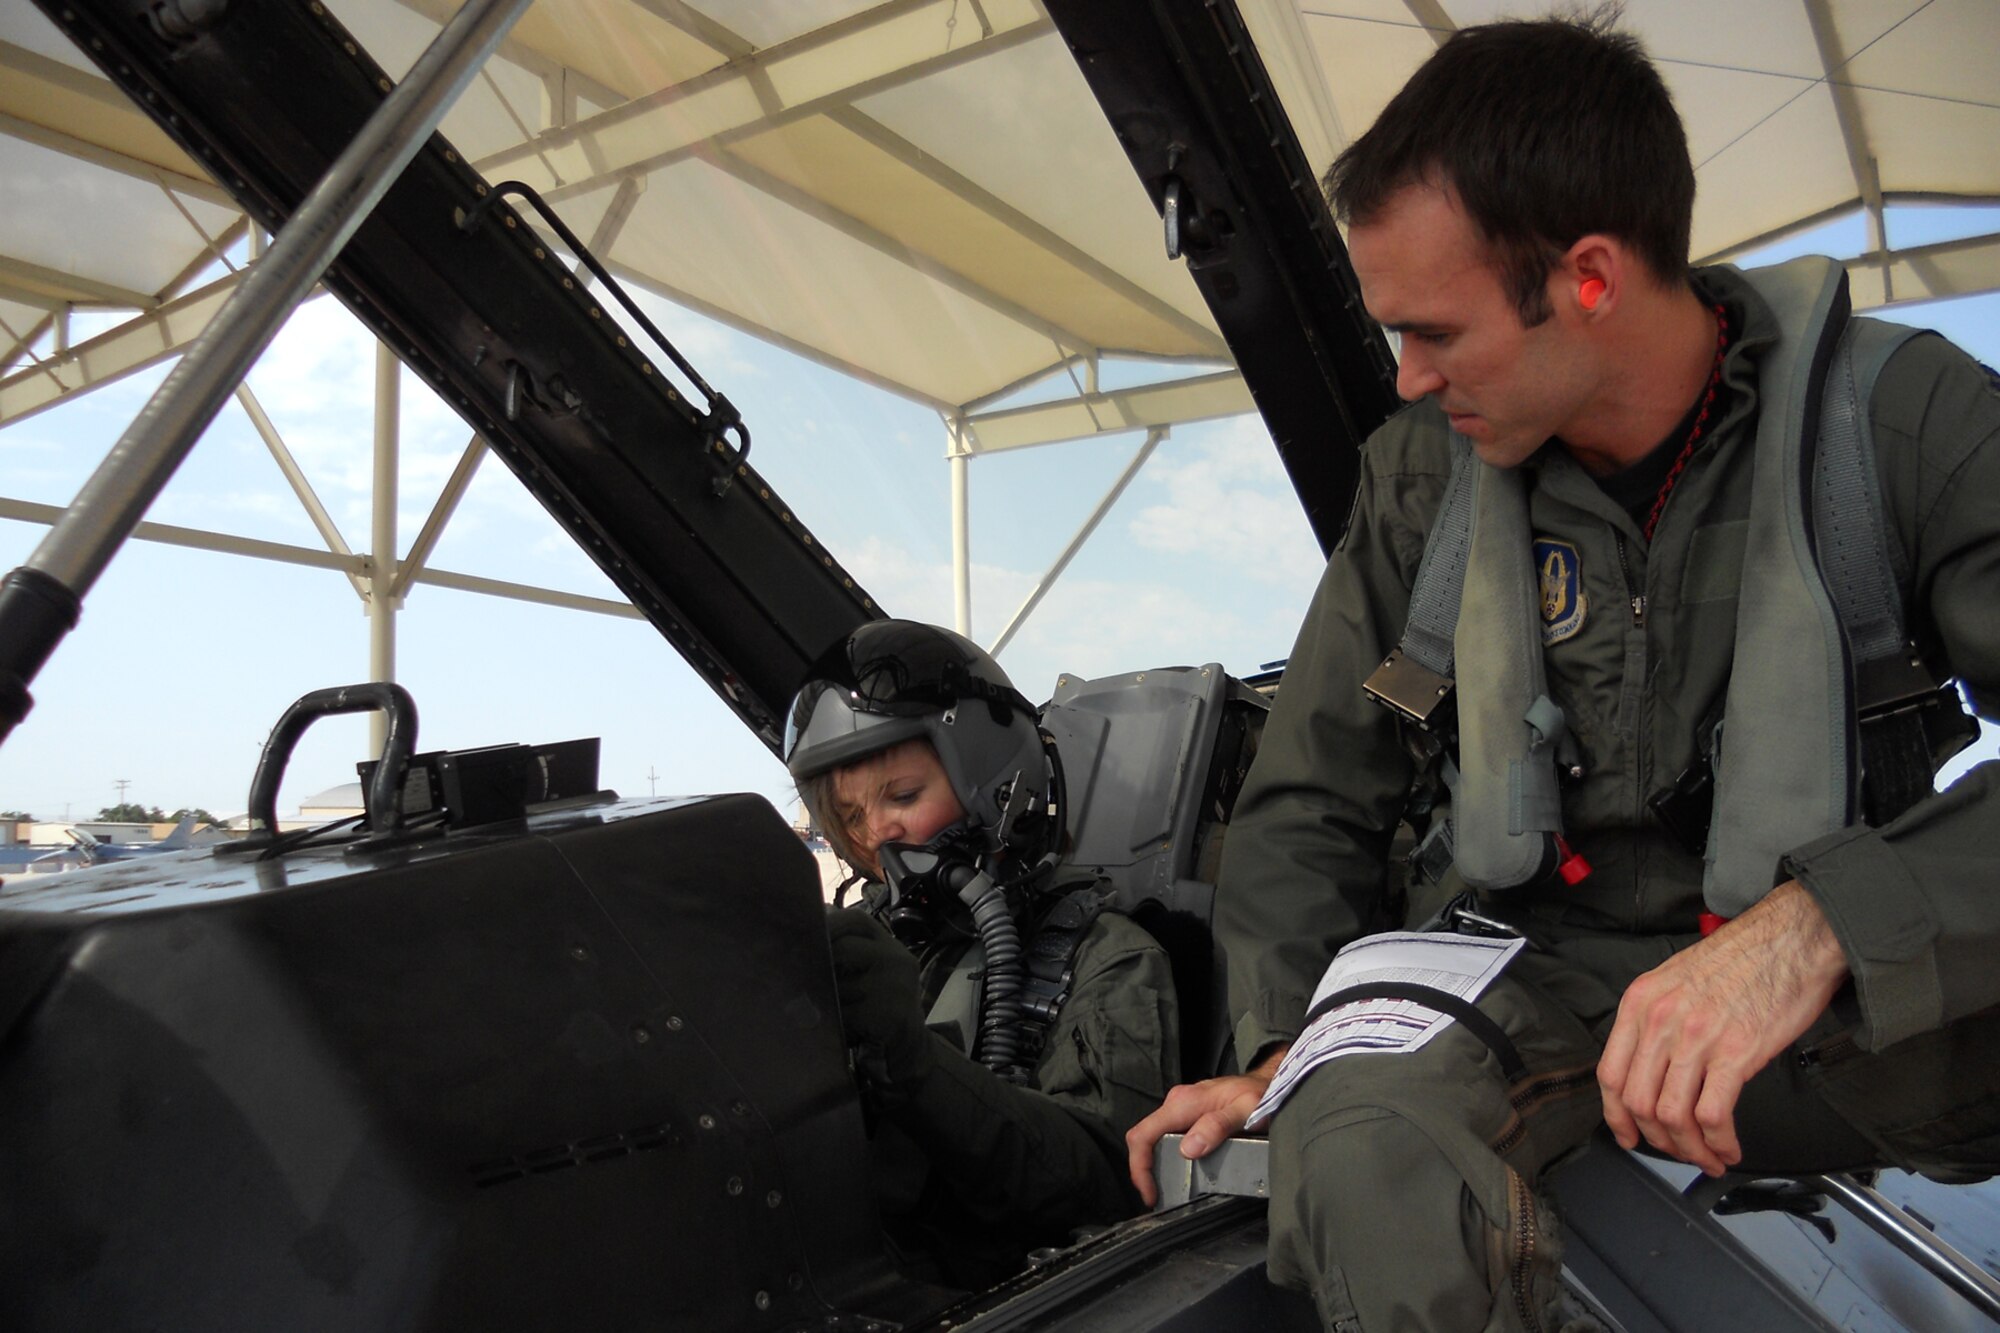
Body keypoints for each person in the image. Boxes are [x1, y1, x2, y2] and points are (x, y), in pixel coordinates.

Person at [1124, 13, 2000, 1331]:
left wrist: (1822, 923)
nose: (1410, 380)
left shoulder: (1897, 427)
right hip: (1542, 995)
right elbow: (1315, 796)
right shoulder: (1425, 494)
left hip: (1858, 1006)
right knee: (1356, 1140)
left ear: (1589, 276)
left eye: (1435, 333)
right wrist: (1285, 1048)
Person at [786, 619, 1180, 1288]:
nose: (878, 831)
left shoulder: (1106, 955)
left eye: (903, 796)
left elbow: (1112, 1179)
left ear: (1002, 785)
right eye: (851, 818)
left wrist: (912, 1062)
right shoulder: (863, 951)